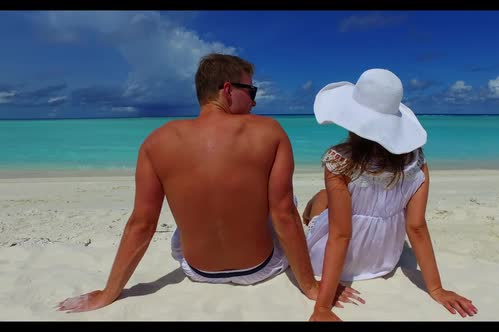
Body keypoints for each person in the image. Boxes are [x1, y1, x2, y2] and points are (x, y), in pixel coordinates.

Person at [58, 53, 361, 314]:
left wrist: (108, 292)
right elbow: (283, 216)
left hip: (198, 271)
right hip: (260, 268)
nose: (255, 102)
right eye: (251, 91)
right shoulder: (269, 131)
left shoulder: (156, 141)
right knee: (287, 203)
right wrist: (310, 287)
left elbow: (141, 225)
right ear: (227, 89)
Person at [302, 69, 478, 321]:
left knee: (320, 198)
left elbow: (340, 235)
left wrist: (323, 307)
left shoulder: (339, 162)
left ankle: (307, 218)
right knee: (325, 199)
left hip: (337, 262)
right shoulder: (416, 163)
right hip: (384, 260)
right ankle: (311, 216)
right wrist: (436, 289)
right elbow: (416, 228)